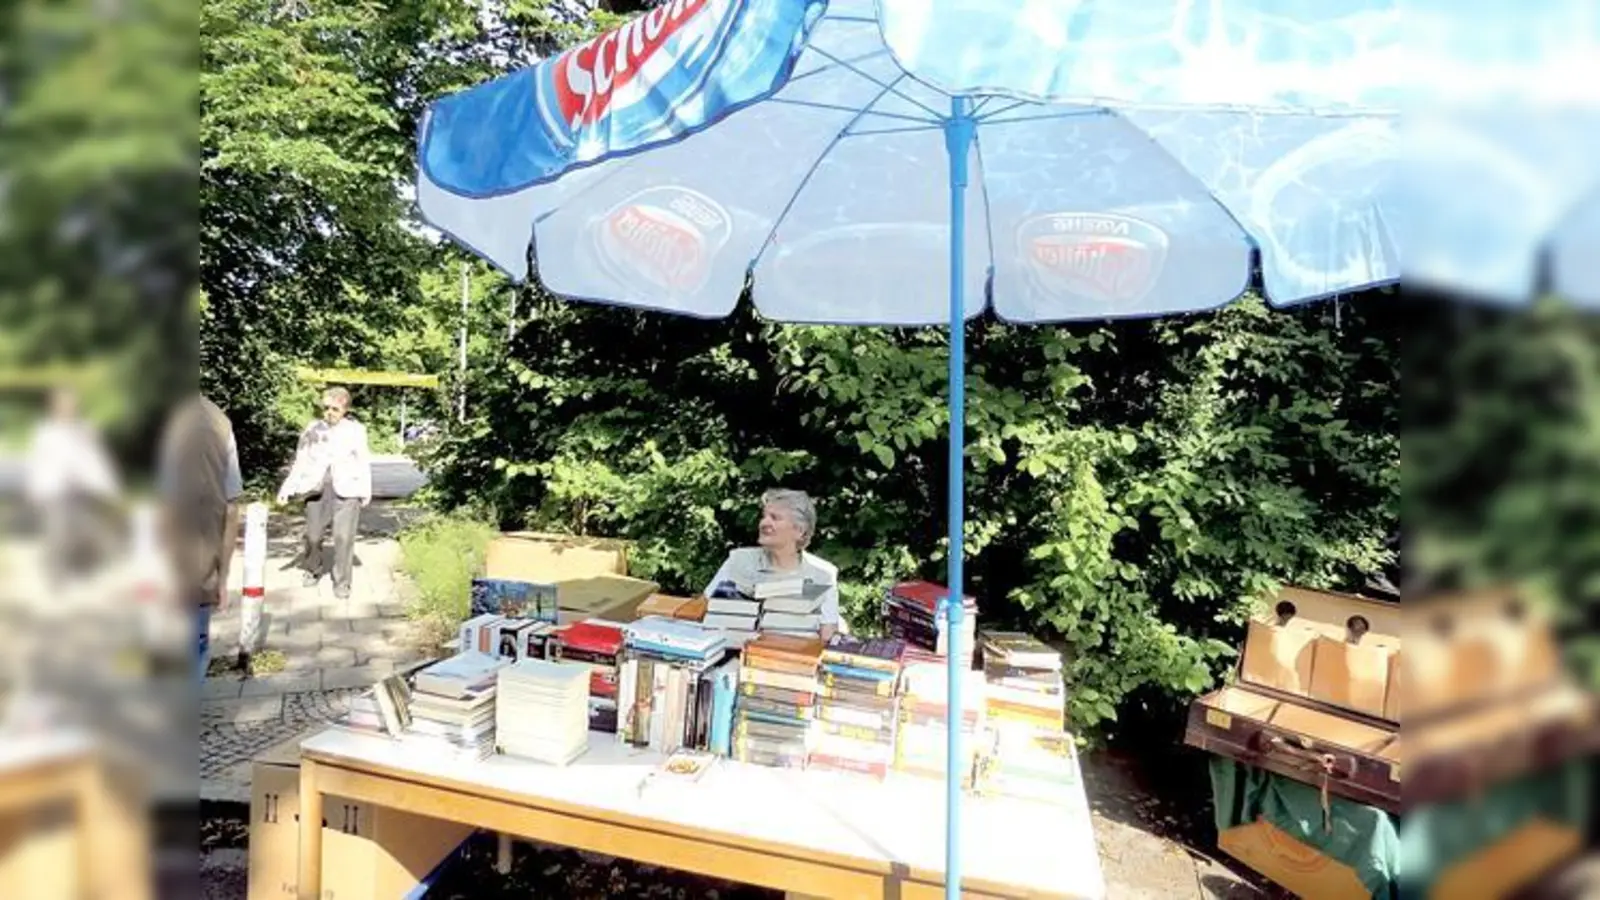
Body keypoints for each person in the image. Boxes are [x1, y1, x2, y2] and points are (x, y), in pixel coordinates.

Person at [156, 393, 243, 685]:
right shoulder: (220, 423)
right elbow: (231, 508)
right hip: (203, 562)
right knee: (195, 644)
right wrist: (223, 576)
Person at [703, 488, 841, 640]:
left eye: (775, 518)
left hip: (794, 659)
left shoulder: (823, 575)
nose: (764, 523)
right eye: (764, 516)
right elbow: (702, 609)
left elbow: (827, 638)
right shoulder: (738, 560)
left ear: (800, 531)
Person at [277, 386, 371, 599]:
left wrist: (366, 491)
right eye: (326, 407)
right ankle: (312, 568)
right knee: (313, 535)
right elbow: (300, 460)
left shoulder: (356, 430)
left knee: (344, 537)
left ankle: (342, 583)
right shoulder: (312, 429)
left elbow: (363, 461)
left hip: (348, 489)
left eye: (335, 409)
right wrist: (287, 487)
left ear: (345, 410)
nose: (329, 412)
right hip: (316, 488)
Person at [23, 387, 121, 584]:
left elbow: (94, 460)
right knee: (58, 534)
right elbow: (37, 463)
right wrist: (33, 489)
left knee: (89, 533)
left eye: (72, 404)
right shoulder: (45, 432)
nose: (69, 408)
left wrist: (109, 488)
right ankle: (55, 576)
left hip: (82, 492)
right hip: (54, 492)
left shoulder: (83, 430)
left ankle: (80, 571)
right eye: (64, 404)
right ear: (54, 406)